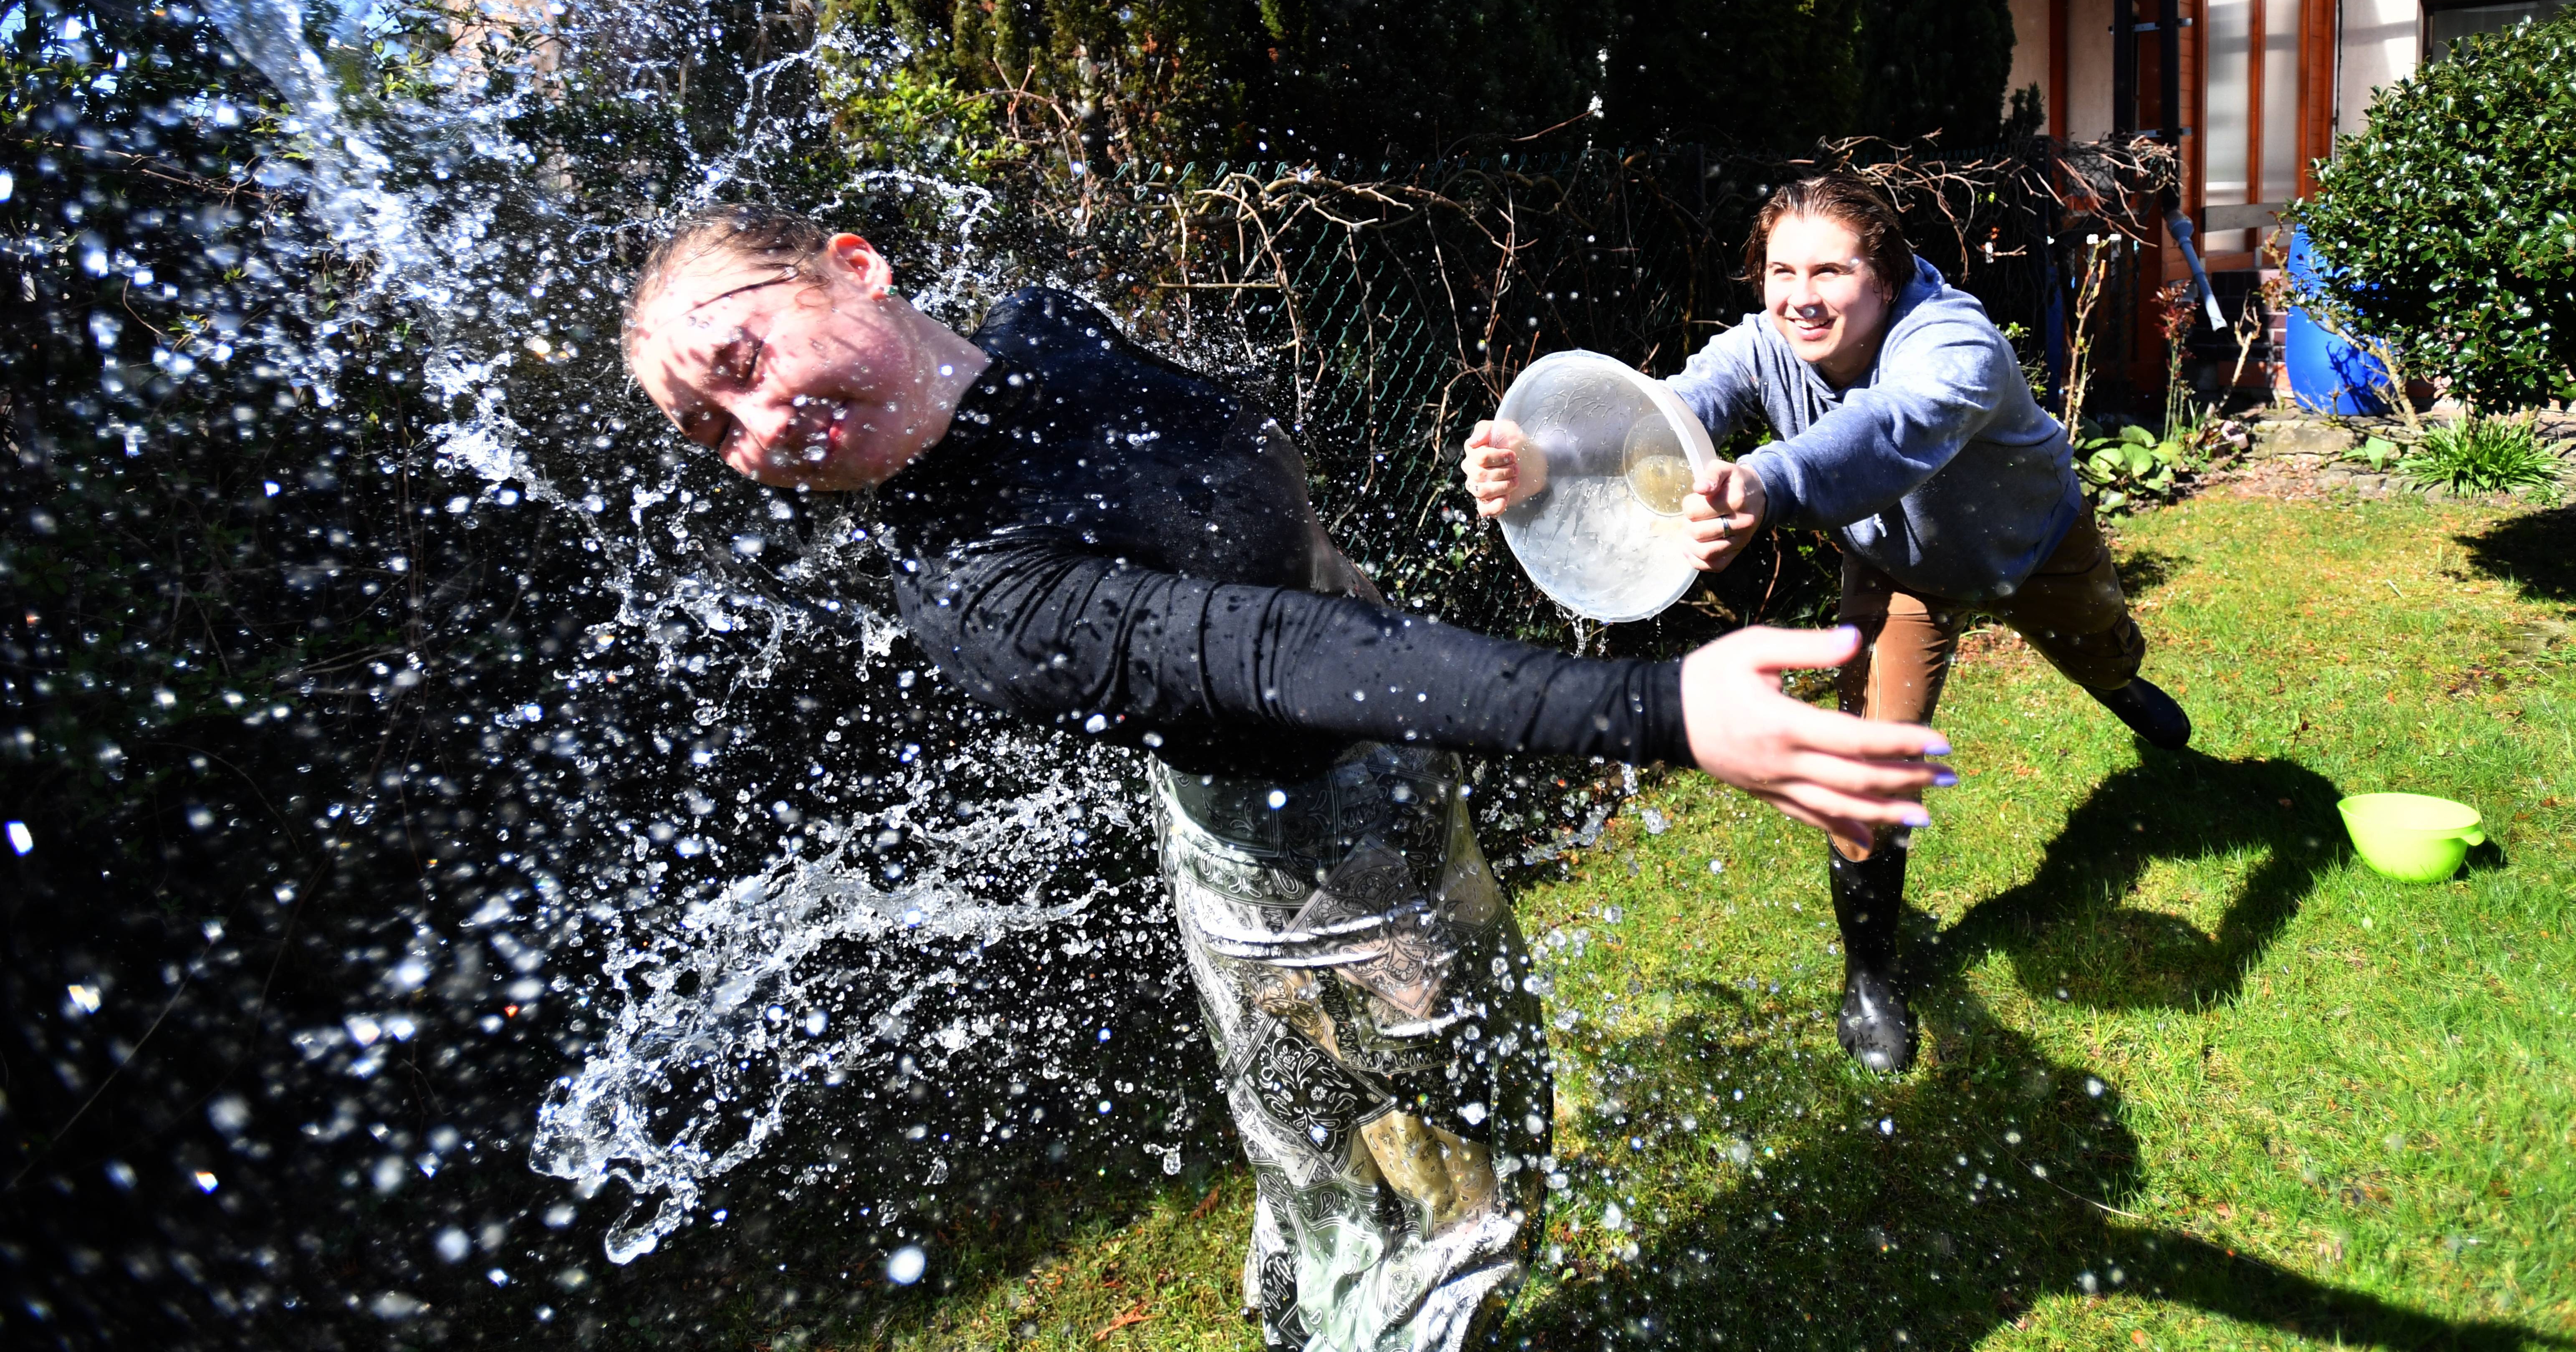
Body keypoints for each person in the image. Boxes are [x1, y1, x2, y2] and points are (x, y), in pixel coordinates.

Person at [623, 203, 1950, 1352]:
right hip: (1319, 896)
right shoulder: (982, 597)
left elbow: (1262, 541)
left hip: (1377, 780)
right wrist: (1656, 707)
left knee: (1337, 1171)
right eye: (708, 426)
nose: (753, 425)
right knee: (1455, 1212)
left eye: (740, 361)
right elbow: (1280, 648)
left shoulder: (1045, 329)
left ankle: (1304, 1280)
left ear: (855, 267)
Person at [1462, 172, 2190, 1077]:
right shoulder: (1763, 344)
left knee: (2099, 649)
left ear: (1886, 276)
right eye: (1780, 272)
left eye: (1831, 273)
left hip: (2030, 545)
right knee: (1865, 766)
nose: (1801, 299)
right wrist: (1542, 464)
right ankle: (1871, 975)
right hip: (1898, 571)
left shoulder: (1955, 343)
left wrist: (1765, 482)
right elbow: (1666, 417)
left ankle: (2114, 681)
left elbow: (1893, 428)